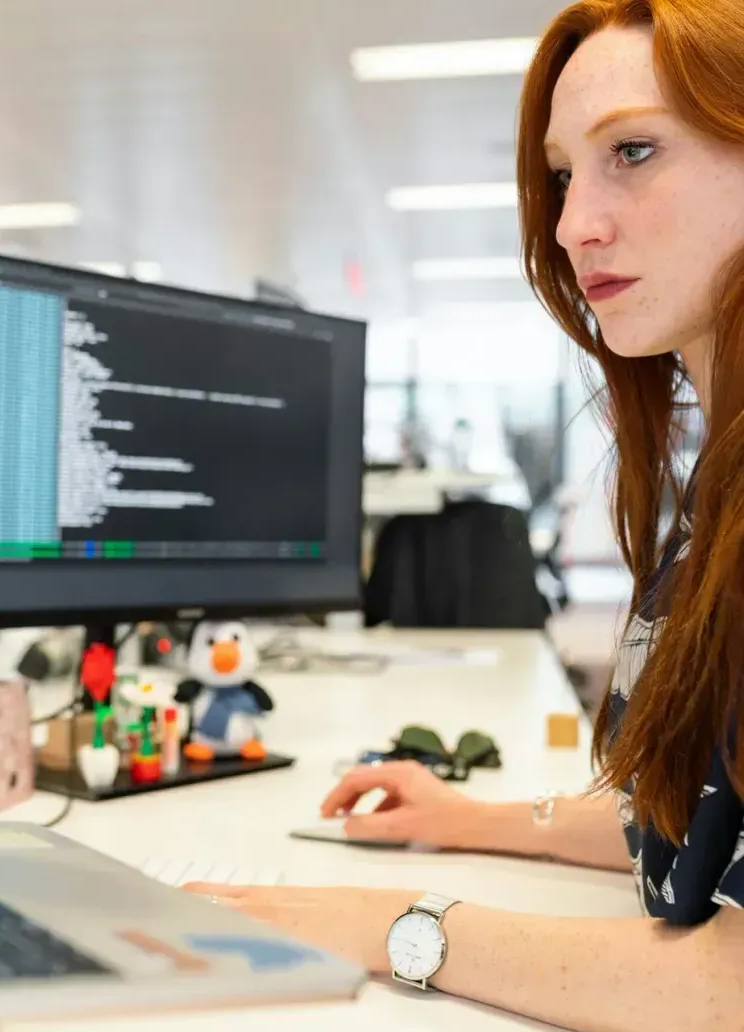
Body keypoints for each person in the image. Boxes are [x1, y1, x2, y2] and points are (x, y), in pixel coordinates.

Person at [186, 2, 744, 1027]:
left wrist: (388, 926)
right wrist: (470, 818)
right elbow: (694, 824)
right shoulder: (720, 493)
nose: (575, 223)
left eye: (634, 150)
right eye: (566, 174)